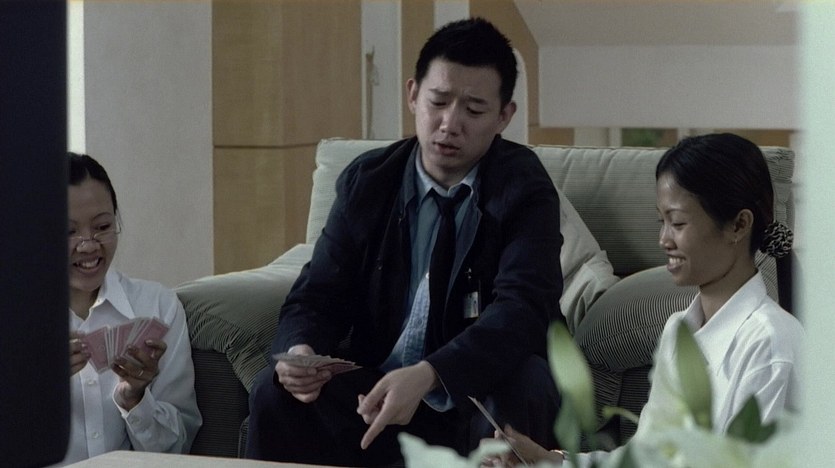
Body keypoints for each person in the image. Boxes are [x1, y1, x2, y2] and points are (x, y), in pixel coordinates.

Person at [245, 17, 564, 466]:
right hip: (378, 390)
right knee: (274, 392)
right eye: (438, 102)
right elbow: (317, 294)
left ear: (504, 117)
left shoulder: (524, 188)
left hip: (475, 392)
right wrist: (301, 351)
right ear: (413, 94)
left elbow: (523, 310)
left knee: (525, 383)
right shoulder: (368, 180)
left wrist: (432, 374)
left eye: (474, 110)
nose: (449, 124)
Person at [489, 133, 804, 467]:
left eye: (677, 223)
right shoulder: (679, 329)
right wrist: (549, 461)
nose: (663, 239)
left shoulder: (771, 346)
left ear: (739, 225)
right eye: (661, 221)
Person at [62, 153, 202, 465]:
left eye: (102, 226)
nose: (88, 245)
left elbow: (178, 450)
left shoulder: (157, 306)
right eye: (68, 231)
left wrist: (135, 399)